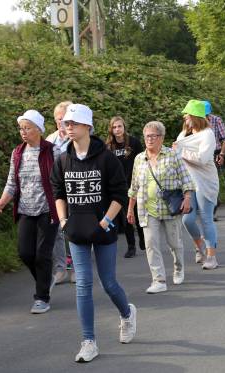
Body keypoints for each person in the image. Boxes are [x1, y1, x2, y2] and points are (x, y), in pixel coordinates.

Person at [50, 103, 137, 363]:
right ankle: (88, 341)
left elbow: (120, 193)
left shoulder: (106, 158)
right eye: (66, 123)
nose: (68, 127)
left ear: (87, 126)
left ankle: (127, 313)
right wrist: (64, 220)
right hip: (76, 230)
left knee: (108, 282)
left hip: (103, 229)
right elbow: (58, 192)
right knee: (83, 285)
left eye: (73, 123)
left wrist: (105, 221)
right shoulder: (63, 159)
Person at [0, 110, 58, 314]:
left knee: (42, 255)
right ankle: (46, 279)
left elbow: (60, 182)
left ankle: (42, 297)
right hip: (26, 209)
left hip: (48, 210)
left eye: (27, 128)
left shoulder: (52, 152)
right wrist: (1, 202)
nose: (23, 132)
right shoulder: (17, 153)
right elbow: (12, 183)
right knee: (25, 253)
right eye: (21, 128)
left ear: (39, 129)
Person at [127, 121, 194, 294]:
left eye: (153, 136)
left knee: (174, 243)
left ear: (161, 138)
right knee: (150, 244)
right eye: (147, 136)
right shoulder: (139, 159)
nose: (149, 139)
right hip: (147, 208)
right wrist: (130, 209)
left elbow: (186, 179)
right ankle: (159, 280)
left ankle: (178, 267)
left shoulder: (172, 156)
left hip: (170, 208)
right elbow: (134, 186)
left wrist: (187, 198)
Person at [175, 99, 220, 269]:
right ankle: (199, 246)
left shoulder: (208, 134)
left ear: (196, 116)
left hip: (205, 182)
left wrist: (181, 151)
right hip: (188, 184)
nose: (185, 116)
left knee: (206, 219)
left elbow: (202, 158)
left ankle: (211, 257)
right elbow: (178, 154)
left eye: (188, 113)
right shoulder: (183, 135)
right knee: (187, 220)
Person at [106, 116, 145, 258]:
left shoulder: (133, 142)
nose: (117, 130)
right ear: (111, 129)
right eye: (114, 127)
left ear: (124, 127)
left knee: (138, 214)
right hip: (119, 187)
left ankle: (142, 238)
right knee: (126, 217)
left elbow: (143, 161)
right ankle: (131, 246)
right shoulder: (109, 146)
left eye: (119, 126)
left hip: (135, 184)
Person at [46, 101, 73, 284]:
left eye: (63, 120)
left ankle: (78, 268)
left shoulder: (78, 138)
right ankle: (60, 269)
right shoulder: (50, 140)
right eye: (57, 120)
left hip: (75, 189)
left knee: (74, 230)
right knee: (56, 230)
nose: (59, 124)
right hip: (57, 191)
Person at [204, 100, 225, 221]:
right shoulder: (195, 121)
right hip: (201, 155)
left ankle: (213, 208)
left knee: (213, 182)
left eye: (207, 114)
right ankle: (207, 207)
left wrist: (222, 154)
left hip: (215, 153)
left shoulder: (216, 120)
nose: (205, 117)